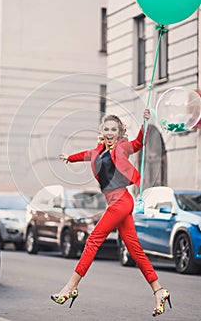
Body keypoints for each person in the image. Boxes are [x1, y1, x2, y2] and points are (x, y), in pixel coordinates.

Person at [51, 109, 172, 317]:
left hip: (122, 201)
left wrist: (145, 124)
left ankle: (70, 287)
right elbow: (83, 155)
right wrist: (68, 158)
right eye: (106, 129)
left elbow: (137, 144)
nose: (109, 132)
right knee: (135, 250)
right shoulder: (97, 152)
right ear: (101, 132)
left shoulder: (123, 148)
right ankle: (159, 291)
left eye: (113, 129)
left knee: (93, 240)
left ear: (119, 132)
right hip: (115, 203)